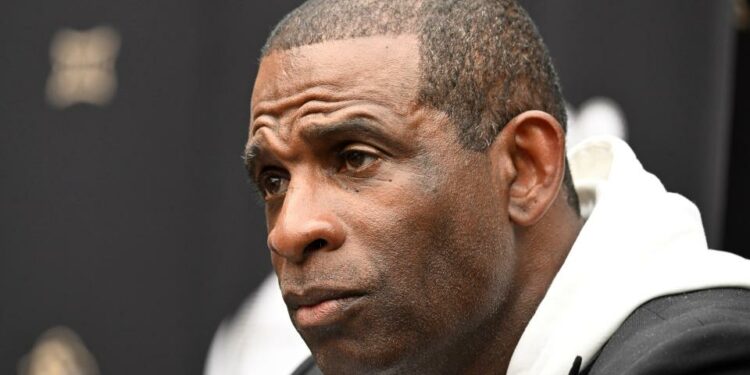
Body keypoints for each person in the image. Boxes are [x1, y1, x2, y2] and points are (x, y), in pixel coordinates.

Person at [239, 0, 750, 374]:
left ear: (525, 169)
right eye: (274, 180)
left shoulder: (705, 360)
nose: (288, 230)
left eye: (355, 159)